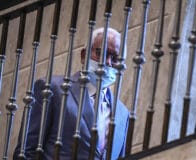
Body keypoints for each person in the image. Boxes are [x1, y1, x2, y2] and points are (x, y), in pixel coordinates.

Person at [13, 28, 129, 160]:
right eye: (100, 52)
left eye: (115, 59)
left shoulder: (123, 114)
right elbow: (26, 151)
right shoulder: (52, 89)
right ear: (84, 55)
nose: (107, 62)